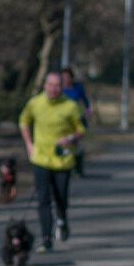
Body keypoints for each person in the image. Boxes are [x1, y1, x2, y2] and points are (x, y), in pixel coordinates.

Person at [19, 72, 85, 253]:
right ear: (44, 85)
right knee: (43, 199)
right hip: (40, 158)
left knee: (60, 198)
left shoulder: (70, 106)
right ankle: (46, 238)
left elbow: (81, 129)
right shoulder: (35, 103)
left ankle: (62, 219)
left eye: (57, 85)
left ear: (62, 87)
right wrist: (29, 145)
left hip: (62, 160)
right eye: (51, 85)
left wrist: (70, 138)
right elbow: (24, 121)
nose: (54, 89)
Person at [59, 66, 92, 176]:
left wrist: (88, 112)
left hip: (76, 119)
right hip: (63, 121)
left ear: (72, 78)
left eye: (67, 77)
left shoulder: (78, 88)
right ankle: (66, 166)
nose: (66, 79)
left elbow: (85, 101)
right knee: (65, 143)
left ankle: (77, 167)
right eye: (63, 77)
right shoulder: (59, 90)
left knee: (75, 144)